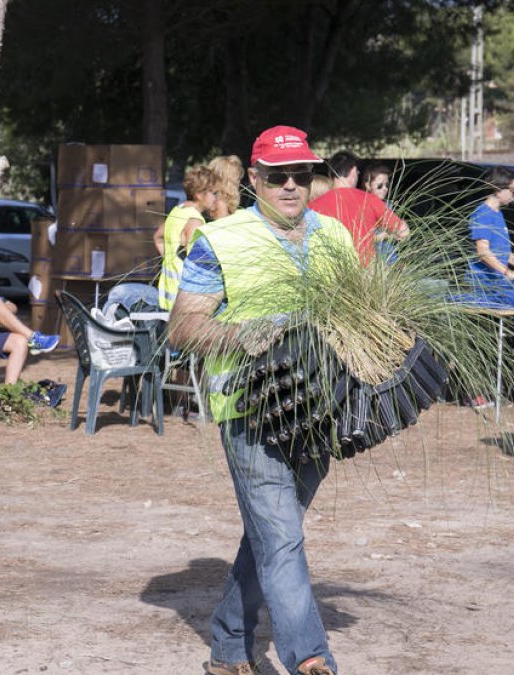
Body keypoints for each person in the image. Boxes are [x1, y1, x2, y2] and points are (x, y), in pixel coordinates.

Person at [169, 125, 350, 675]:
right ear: (254, 179)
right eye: (277, 176)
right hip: (249, 409)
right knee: (281, 535)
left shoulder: (337, 237)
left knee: (273, 535)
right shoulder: (221, 240)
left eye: (301, 174)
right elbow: (181, 328)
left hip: (322, 408)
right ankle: (311, 658)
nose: (291, 186)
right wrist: (239, 333)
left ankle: (227, 645)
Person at [308, 150, 408, 265]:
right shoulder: (370, 200)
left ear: (331, 174)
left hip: (327, 273)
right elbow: (403, 231)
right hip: (364, 275)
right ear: (353, 171)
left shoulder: (313, 206)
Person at [0, 282, 59, 384]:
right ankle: (33, 337)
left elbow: (12, 306)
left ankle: (9, 392)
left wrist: (1, 311)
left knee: (20, 342)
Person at [156, 165, 219, 310]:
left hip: (166, 294)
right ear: (199, 194)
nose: (215, 198)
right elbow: (198, 265)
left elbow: (158, 237)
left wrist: (170, 260)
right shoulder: (195, 220)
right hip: (183, 301)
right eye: (213, 193)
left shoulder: (178, 211)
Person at [468, 166, 514, 289]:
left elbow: (504, 253)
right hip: (483, 287)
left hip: (497, 284)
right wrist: (508, 273)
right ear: (498, 189)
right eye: (512, 190)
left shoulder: (497, 213)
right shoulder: (483, 214)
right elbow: (483, 251)